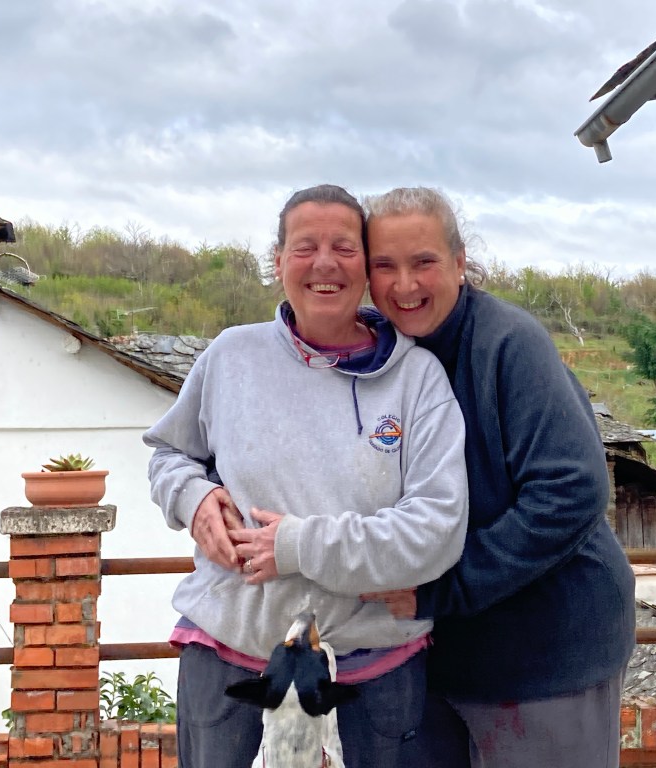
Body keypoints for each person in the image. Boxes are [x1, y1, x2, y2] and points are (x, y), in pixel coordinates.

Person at [143, 184, 469, 768]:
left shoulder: (417, 379)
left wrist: (295, 547)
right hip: (229, 664)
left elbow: (437, 530)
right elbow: (169, 454)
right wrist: (192, 498)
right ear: (277, 262)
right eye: (304, 247)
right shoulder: (230, 357)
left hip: (375, 676)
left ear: (365, 266)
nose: (324, 264)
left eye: (343, 248)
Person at [361, 187, 636, 768]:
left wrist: (442, 588)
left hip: (547, 656)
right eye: (385, 265)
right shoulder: (378, 356)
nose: (405, 285)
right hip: (433, 657)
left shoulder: (509, 344)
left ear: (460, 262)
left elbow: (571, 490)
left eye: (424, 261)